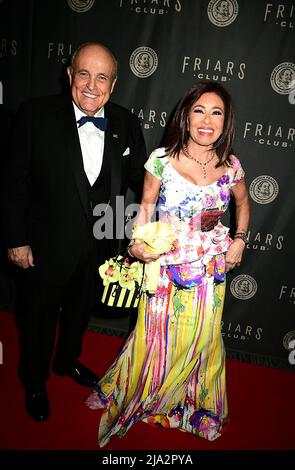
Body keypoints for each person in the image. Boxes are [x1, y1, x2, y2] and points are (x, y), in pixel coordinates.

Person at [86, 81, 250, 446]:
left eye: (216, 112)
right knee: (155, 335)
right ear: (185, 117)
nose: (207, 120)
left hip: (209, 269)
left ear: (226, 122)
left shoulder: (232, 165)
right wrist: (136, 244)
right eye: (199, 111)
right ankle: (147, 392)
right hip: (165, 265)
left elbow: (244, 201)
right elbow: (145, 207)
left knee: (202, 338)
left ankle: (192, 401)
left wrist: (239, 240)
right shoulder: (161, 159)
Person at [1, 42, 146, 422]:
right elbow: (13, 183)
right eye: (84, 73)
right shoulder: (35, 114)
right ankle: (34, 379)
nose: (91, 85)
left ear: (113, 84)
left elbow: (145, 181)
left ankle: (67, 362)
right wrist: (16, 239)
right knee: (37, 319)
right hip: (44, 245)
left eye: (102, 77)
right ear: (69, 75)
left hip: (100, 248)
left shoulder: (126, 123)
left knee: (80, 314)